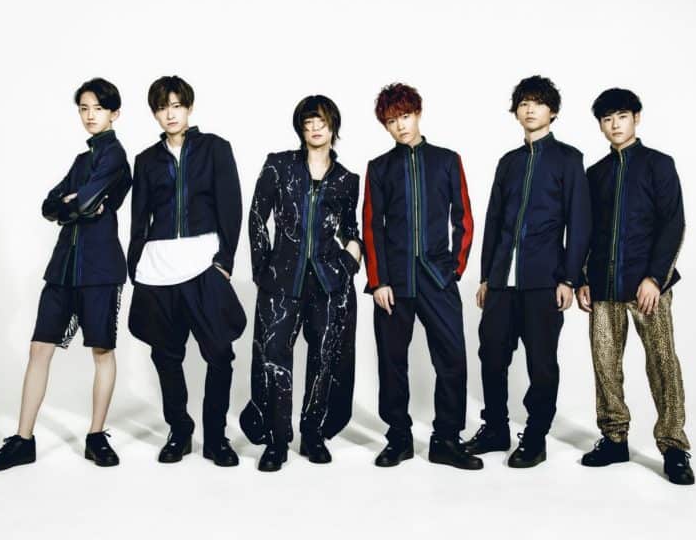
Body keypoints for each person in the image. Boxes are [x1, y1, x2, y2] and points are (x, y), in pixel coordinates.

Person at [0, 77, 132, 472]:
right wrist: (72, 204)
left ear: (114, 113)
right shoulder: (81, 161)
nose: (90, 115)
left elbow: (86, 201)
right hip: (63, 267)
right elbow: (49, 205)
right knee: (39, 349)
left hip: (100, 268)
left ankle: (96, 436)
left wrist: (76, 202)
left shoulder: (116, 156)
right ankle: (23, 440)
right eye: (83, 108)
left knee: (102, 351)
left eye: (98, 108)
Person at [466, 75, 591, 468]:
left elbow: (579, 223)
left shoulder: (569, 159)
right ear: (516, 112)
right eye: (523, 103)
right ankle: (495, 429)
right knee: (491, 355)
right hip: (502, 281)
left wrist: (569, 278)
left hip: (544, 281)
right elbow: (493, 220)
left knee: (541, 363)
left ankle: (535, 437)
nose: (530, 109)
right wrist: (487, 276)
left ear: (552, 111)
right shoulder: (509, 162)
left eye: (537, 102)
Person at [576, 87, 694, 485]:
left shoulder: (659, 165)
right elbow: (587, 231)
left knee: (662, 362)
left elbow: (673, 223)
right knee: (605, 364)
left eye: (621, 116)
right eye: (607, 119)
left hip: (647, 287)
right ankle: (614, 439)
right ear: (600, 125)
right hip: (604, 287)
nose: (615, 125)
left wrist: (655, 278)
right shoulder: (596, 174)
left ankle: (673, 446)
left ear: (636, 118)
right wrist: (583, 279)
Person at [127, 75, 246, 466]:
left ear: (189, 107)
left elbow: (231, 206)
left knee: (220, 354)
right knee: (165, 356)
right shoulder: (146, 160)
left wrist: (224, 261)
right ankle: (179, 432)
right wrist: (135, 266)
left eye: (177, 106)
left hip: (202, 264)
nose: (170, 114)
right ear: (155, 114)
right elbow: (139, 218)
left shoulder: (215, 149)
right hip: (157, 269)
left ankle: (216, 437)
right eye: (163, 108)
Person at [239, 95, 362, 472]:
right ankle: (276, 441)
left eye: (321, 121)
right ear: (300, 128)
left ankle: (313, 434)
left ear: (333, 125)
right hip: (282, 281)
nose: (314, 128)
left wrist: (348, 263)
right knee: (273, 358)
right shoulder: (279, 166)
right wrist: (262, 270)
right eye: (308, 122)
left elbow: (350, 230)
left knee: (324, 359)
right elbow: (257, 218)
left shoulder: (346, 179)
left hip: (328, 282)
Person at [363, 82, 481, 470]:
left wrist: (454, 269)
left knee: (452, 359)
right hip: (393, 284)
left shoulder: (446, 160)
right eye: (391, 121)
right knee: (392, 361)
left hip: (437, 278)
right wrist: (378, 281)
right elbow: (372, 227)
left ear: (418, 114)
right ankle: (398, 438)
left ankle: (446, 439)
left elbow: (463, 219)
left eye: (405, 117)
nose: (400, 126)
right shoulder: (379, 168)